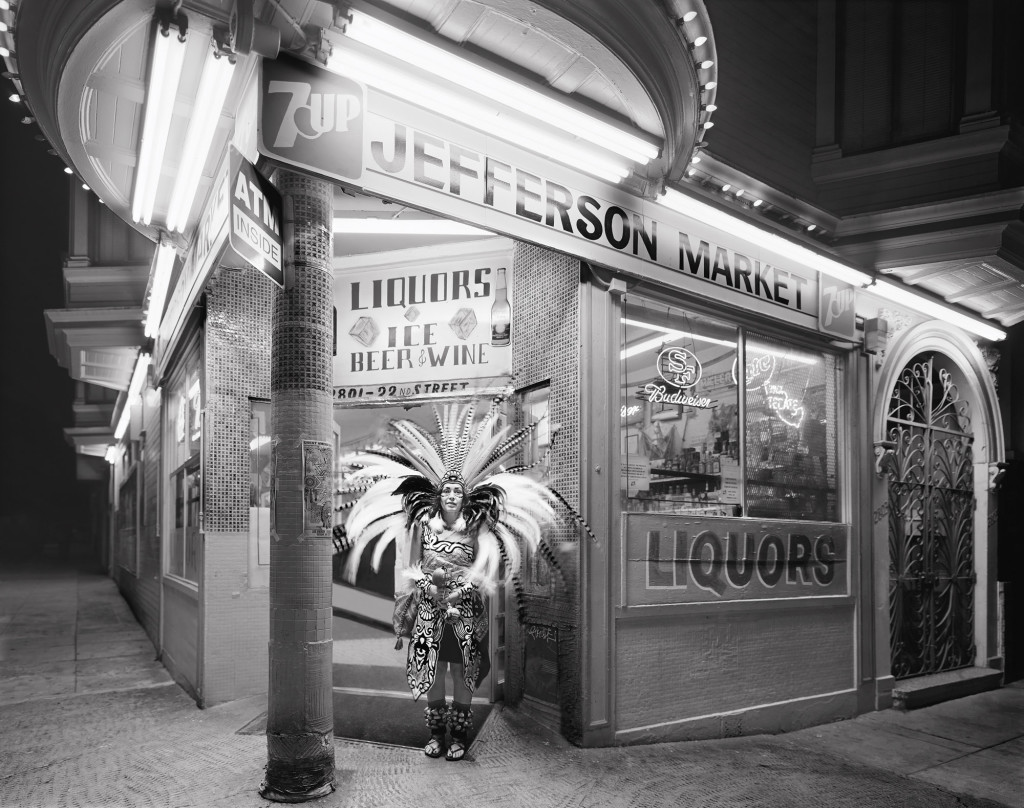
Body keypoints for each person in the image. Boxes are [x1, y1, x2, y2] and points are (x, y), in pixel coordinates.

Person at [338, 392, 593, 761]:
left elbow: (487, 567)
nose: (453, 495)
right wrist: (425, 585)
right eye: (447, 491)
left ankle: (459, 737)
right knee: (433, 672)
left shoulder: (477, 530)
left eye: (458, 491)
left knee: (463, 673)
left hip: (465, 611)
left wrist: (464, 589)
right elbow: (411, 568)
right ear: (438, 496)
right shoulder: (424, 526)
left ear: (465, 497)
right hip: (429, 611)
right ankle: (436, 735)